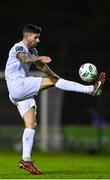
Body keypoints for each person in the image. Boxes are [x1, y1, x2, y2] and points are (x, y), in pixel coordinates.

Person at [5, 24, 106, 175]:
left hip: (19, 93)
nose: (38, 40)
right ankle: (90, 89)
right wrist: (44, 65)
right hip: (17, 85)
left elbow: (42, 67)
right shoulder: (18, 48)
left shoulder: (33, 50)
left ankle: (25, 160)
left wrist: (54, 76)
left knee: (31, 124)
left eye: (39, 37)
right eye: (36, 37)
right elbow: (24, 58)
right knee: (53, 82)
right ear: (27, 36)